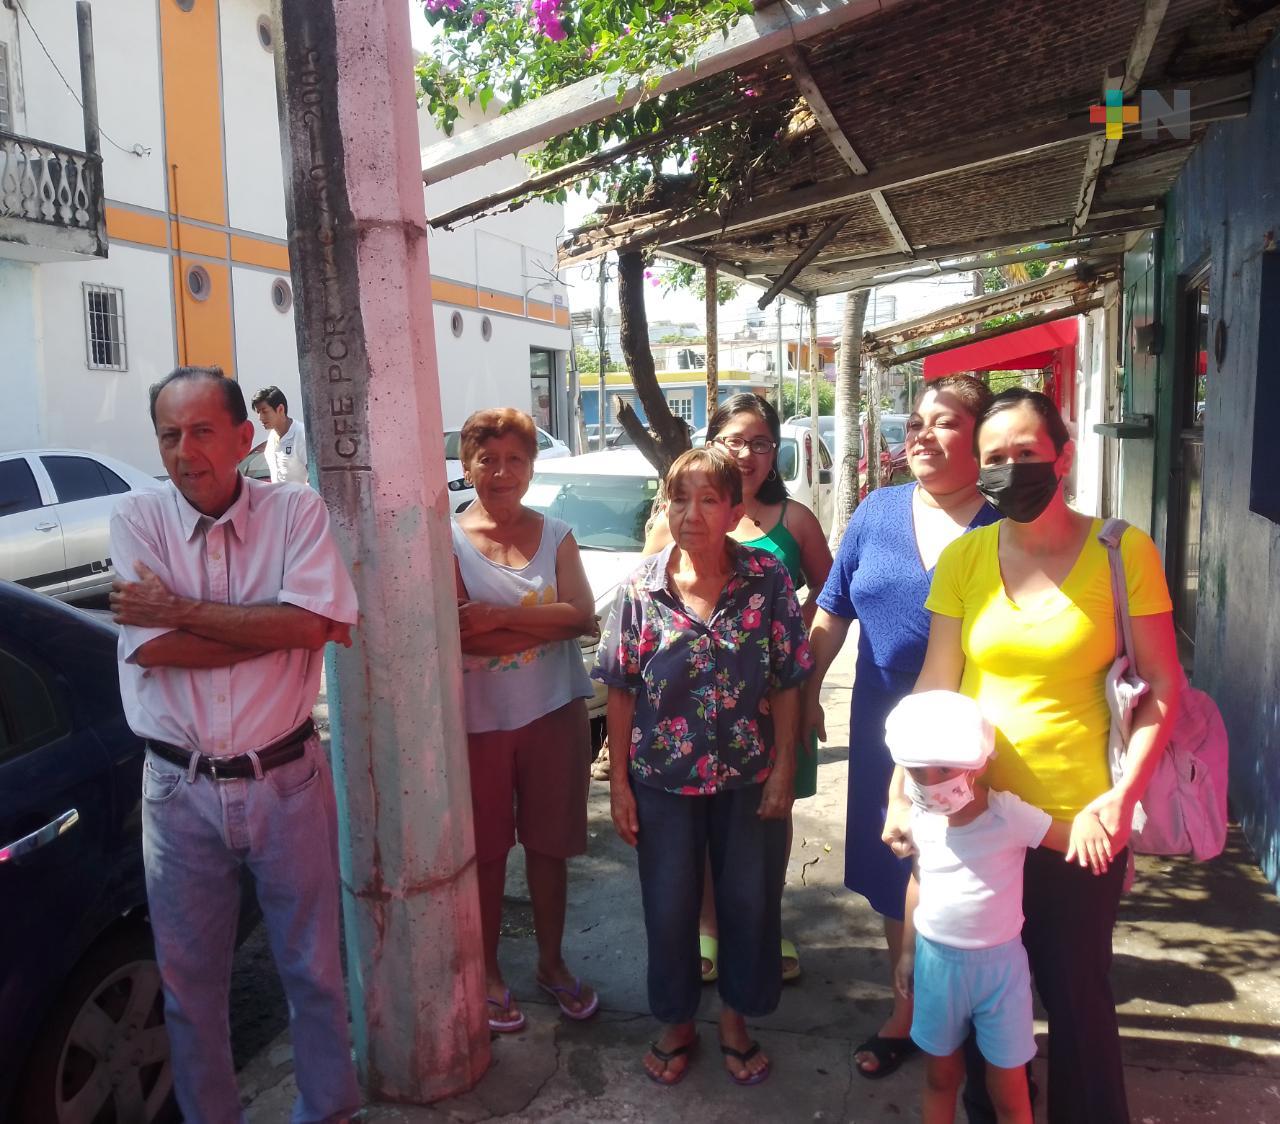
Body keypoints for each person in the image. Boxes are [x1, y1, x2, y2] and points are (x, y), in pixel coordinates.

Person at [893, 387, 1183, 1123]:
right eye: (995, 458)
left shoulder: (1123, 549)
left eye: (1027, 453)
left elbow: (1161, 686)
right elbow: (937, 682)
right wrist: (906, 789)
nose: (1011, 469)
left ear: (1064, 456)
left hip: (1077, 824)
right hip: (975, 823)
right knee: (983, 1010)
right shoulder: (966, 557)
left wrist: (1121, 799)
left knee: (1077, 999)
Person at [108, 365, 360, 1123]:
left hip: (285, 779)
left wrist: (184, 611)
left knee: (314, 972)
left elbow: (312, 628)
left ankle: (330, 1112)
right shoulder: (137, 520)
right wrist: (271, 624)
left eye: (203, 431)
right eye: (169, 434)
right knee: (187, 990)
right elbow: (152, 649)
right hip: (177, 791)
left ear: (246, 438)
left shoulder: (296, 513)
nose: (185, 451)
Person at [594, 446, 813, 1087]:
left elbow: (790, 678)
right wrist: (619, 788)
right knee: (668, 905)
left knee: (749, 902)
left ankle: (738, 1022)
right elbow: (621, 687)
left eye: (708, 499)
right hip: (663, 781)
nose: (690, 514)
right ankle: (677, 1021)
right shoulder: (642, 587)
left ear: (734, 510)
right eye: (678, 498)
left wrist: (780, 774)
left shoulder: (766, 581)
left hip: (749, 777)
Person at [803, 374, 998, 1078]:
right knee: (898, 876)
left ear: (981, 440)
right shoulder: (876, 511)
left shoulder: (1002, 527)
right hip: (881, 721)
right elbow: (832, 610)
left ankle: (983, 1020)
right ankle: (907, 1011)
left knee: (972, 877)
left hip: (972, 736)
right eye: (916, 421)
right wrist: (805, 691)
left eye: (943, 422)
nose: (920, 434)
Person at [644, 393, 832, 983]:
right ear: (713, 441)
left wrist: (809, 680)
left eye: (760, 442)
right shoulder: (668, 521)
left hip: (775, 698)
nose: (747, 453)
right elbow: (647, 614)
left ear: (774, 452)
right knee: (700, 821)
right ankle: (709, 930)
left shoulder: (794, 520)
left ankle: (762, 926)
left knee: (769, 817)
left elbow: (830, 600)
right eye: (735, 439)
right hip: (691, 716)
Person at [885, 691, 1113, 1124]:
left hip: (1002, 975)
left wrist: (1089, 816)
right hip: (936, 967)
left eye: (945, 769)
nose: (931, 781)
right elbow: (919, 880)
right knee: (940, 1078)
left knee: (1008, 1092)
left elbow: (1068, 838)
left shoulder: (1010, 815)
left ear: (980, 762)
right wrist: (909, 953)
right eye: (918, 770)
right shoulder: (920, 817)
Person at [450, 407, 600, 1033]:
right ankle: (485, 973)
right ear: (468, 466)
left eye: (516, 459)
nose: (502, 472)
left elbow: (584, 618)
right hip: (478, 720)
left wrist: (493, 618)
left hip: (552, 713)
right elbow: (462, 636)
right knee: (484, 852)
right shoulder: (447, 538)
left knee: (549, 845)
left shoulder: (558, 534)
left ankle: (551, 964)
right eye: (489, 459)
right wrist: (539, 621)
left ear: (533, 466)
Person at [252, 385, 309, 485]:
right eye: (258, 412)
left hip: (300, 500)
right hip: (278, 499)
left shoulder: (301, 434)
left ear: (280, 409)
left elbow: (315, 478)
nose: (260, 418)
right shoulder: (272, 437)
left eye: (264, 411)